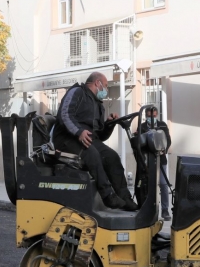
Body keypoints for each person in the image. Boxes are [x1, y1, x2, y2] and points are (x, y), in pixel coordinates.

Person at [52, 72, 137, 211]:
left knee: (112, 156)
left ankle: (125, 198)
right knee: (92, 154)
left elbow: (101, 136)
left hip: (87, 139)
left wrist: (110, 123)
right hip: (67, 139)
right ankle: (108, 195)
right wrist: (78, 132)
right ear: (97, 83)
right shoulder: (77, 92)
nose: (106, 90)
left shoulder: (99, 105)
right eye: (106, 86)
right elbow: (64, 115)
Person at [141, 106, 172, 221]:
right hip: (148, 161)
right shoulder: (142, 127)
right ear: (146, 116)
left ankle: (165, 210)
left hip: (161, 159)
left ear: (157, 114)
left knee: (163, 184)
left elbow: (168, 140)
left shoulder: (163, 125)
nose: (152, 118)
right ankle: (149, 208)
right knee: (148, 185)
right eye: (149, 116)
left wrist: (164, 149)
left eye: (154, 116)